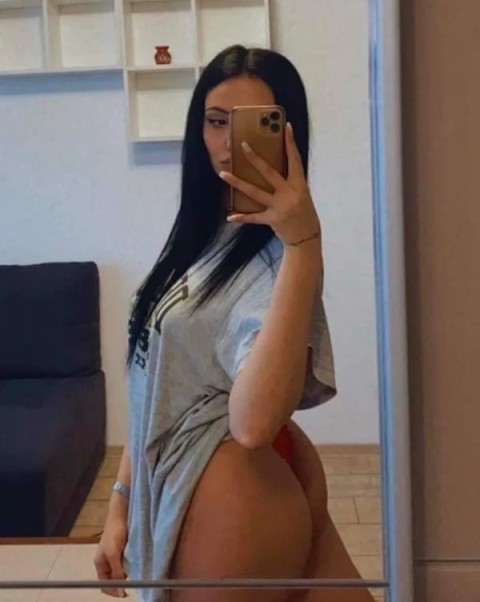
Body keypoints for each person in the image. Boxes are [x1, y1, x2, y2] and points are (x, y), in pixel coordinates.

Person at [94, 45, 376, 602]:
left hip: (234, 497)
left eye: (253, 124)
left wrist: (304, 244)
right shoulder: (198, 236)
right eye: (216, 121)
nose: (230, 143)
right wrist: (120, 502)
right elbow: (156, 378)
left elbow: (252, 425)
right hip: (200, 486)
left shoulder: (282, 256)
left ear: (287, 132)